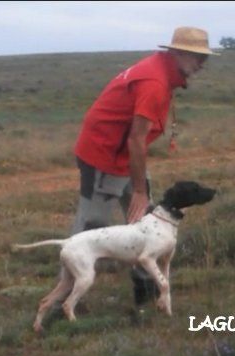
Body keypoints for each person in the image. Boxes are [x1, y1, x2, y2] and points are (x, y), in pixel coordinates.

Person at [71, 27, 218, 307]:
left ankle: (147, 290)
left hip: (125, 155)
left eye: (205, 58)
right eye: (197, 57)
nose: (202, 64)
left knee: (145, 219)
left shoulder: (164, 74)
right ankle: (64, 300)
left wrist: (139, 188)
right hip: (103, 155)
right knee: (90, 226)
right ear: (177, 53)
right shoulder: (155, 81)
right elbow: (136, 139)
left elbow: (136, 142)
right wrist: (138, 189)